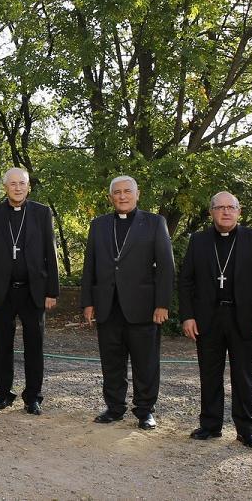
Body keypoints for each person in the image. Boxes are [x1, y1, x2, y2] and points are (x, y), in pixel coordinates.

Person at [178, 191, 252, 448]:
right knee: (209, 373)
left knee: (244, 375)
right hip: (207, 318)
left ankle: (246, 429)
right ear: (211, 212)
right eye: (219, 207)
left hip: (244, 317)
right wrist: (187, 316)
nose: (225, 212)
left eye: (230, 207)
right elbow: (186, 281)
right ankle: (210, 425)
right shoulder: (199, 241)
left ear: (238, 211)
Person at [81, 175, 174, 429]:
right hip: (108, 305)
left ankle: (145, 411)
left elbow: (166, 266)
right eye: (117, 192)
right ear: (110, 197)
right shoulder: (98, 225)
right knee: (111, 361)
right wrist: (88, 302)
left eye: (127, 191)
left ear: (137, 193)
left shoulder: (155, 223)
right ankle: (114, 407)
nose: (122, 196)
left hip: (144, 307)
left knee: (146, 363)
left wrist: (162, 304)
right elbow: (90, 266)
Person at [0, 167, 59, 415]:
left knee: (34, 346)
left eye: (21, 183)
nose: (17, 187)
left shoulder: (42, 213)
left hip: (33, 291)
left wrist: (51, 291)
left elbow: (50, 253)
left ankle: (33, 396)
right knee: (3, 346)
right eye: (12, 184)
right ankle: (4, 393)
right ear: (5, 187)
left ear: (28, 186)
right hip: (2, 292)